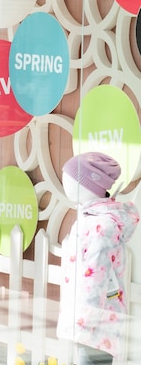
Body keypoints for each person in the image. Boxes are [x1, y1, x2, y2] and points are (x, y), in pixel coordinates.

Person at [57, 152, 139, 365]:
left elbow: (95, 278)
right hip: (87, 320)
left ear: (90, 184)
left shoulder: (102, 226)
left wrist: (83, 323)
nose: (65, 182)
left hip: (93, 324)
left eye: (72, 178)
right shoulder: (89, 220)